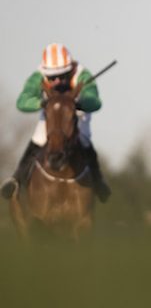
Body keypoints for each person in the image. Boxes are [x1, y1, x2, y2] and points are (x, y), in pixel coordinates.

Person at [0, 43, 111, 202]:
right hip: (51, 112)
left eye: (63, 75)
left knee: (84, 139)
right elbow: (22, 102)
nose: (58, 81)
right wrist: (42, 104)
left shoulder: (83, 75)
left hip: (76, 113)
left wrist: (79, 103)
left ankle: (98, 180)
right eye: (52, 78)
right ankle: (16, 178)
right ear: (45, 73)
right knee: (39, 137)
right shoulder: (38, 76)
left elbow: (95, 102)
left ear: (71, 68)